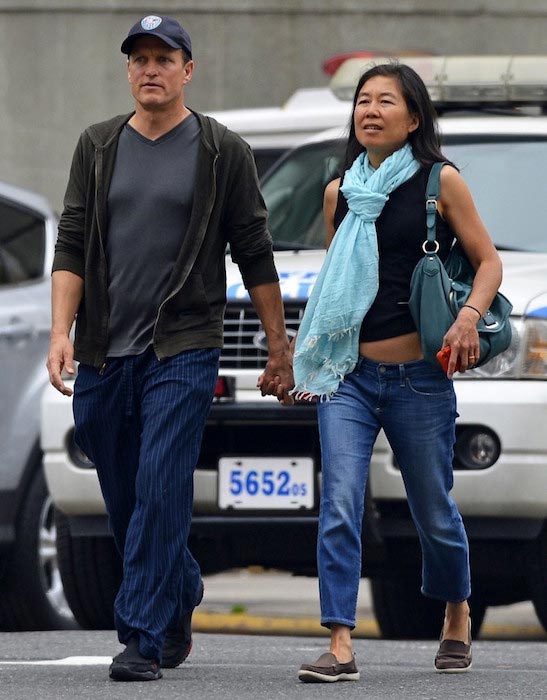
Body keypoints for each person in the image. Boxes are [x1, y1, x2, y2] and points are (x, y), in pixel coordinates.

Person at [46, 14, 293, 682]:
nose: (151, 69)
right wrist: (60, 332)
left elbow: (254, 253)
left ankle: (144, 635)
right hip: (103, 347)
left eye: (164, 58)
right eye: (140, 59)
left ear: (189, 70)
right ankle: (180, 583)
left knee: (160, 483)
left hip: (182, 345)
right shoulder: (97, 146)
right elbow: (70, 241)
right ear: (128, 71)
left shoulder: (221, 150)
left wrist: (277, 348)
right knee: (121, 486)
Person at [287, 63, 503, 681]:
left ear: (414, 118)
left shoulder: (442, 182)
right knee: (340, 503)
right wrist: (305, 359)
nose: (371, 110)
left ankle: (457, 610)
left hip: (419, 378)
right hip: (349, 377)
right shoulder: (339, 193)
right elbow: (336, 288)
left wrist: (466, 319)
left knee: (432, 507)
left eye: (387, 101)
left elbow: (488, 263)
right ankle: (340, 642)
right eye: (363, 100)